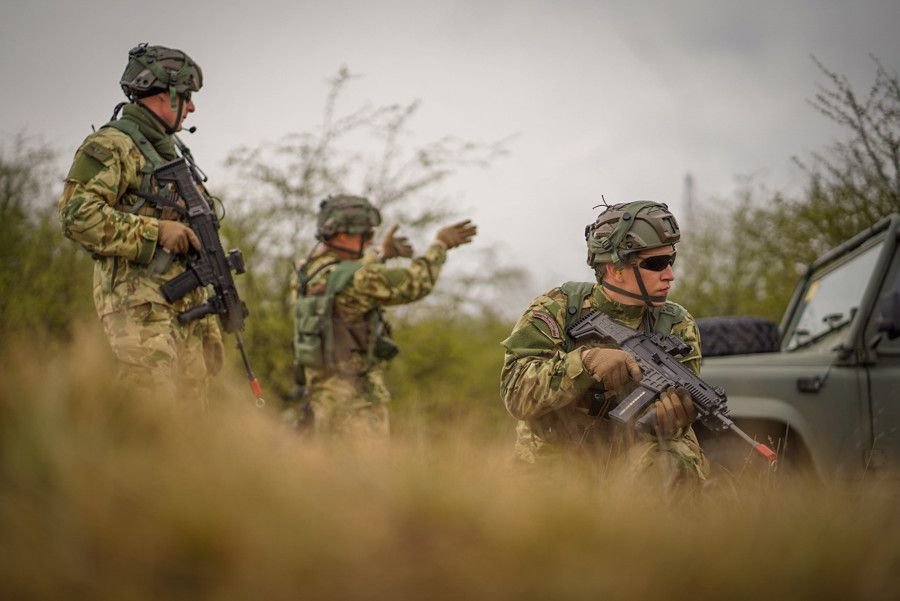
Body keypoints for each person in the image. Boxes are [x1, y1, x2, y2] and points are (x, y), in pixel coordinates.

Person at [57, 43, 224, 409]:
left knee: (192, 431)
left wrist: (209, 323)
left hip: (186, 311)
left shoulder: (172, 154)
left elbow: (198, 251)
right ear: (163, 94)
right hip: (138, 305)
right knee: (149, 419)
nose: (192, 107)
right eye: (187, 96)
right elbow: (76, 214)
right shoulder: (112, 143)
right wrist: (155, 232)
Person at [500, 201, 710, 487]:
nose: (669, 274)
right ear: (615, 269)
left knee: (675, 457)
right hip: (555, 461)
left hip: (632, 463)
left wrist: (670, 420)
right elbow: (516, 395)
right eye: (655, 264)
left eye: (670, 260)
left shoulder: (676, 324)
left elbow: (671, 421)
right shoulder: (558, 308)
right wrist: (585, 362)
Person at [288, 194, 476, 442]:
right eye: (366, 234)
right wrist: (440, 245)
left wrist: (381, 253)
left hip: (320, 403)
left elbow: (345, 272)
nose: (371, 241)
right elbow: (415, 282)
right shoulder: (359, 279)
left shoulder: (305, 272)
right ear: (341, 235)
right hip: (356, 409)